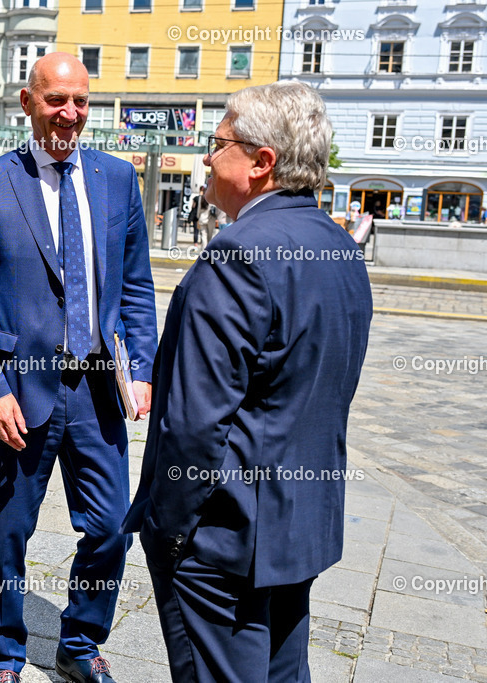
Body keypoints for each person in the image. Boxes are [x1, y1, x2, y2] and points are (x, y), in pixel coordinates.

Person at [123, 81, 373, 683]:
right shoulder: (337, 246)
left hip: (224, 537)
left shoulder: (237, 256)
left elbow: (195, 419)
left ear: (262, 163)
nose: (206, 158)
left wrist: (172, 531)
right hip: (298, 523)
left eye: (218, 143)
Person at [0, 53, 157, 683]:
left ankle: (79, 642)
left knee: (109, 526)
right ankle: (5, 653)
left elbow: (136, 288)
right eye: (55, 101)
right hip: (21, 392)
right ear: (27, 102)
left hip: (98, 389)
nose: (69, 113)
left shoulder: (117, 179)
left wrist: (143, 368)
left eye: (80, 101)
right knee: (7, 531)